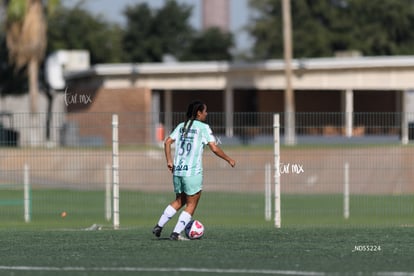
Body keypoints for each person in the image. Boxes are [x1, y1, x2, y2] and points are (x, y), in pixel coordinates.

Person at [152, 100, 236, 240]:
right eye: (205, 111)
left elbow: (167, 141)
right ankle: (176, 233)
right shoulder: (203, 128)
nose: (206, 113)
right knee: (191, 204)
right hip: (192, 172)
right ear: (199, 113)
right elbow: (214, 148)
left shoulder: (181, 126)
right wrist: (229, 159)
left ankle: (159, 226)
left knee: (179, 201)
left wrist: (169, 161)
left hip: (178, 171)